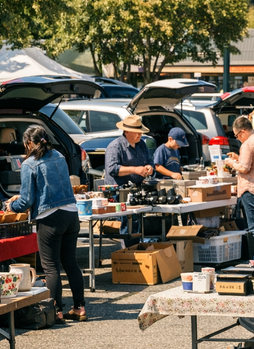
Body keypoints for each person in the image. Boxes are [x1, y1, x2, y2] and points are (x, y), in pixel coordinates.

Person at [8, 125, 85, 323]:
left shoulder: (29, 164)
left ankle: (56, 311)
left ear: (29, 143)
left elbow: (26, 201)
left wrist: (11, 206)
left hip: (49, 217)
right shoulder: (59, 155)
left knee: (51, 267)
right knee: (70, 263)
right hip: (71, 213)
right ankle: (79, 308)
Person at [225, 116, 254, 255]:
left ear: (243, 131)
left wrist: (231, 163)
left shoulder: (247, 144)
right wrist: (238, 158)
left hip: (251, 189)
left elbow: (245, 168)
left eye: (237, 135)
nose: (238, 138)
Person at [104, 115, 154, 186]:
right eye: (136, 132)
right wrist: (134, 170)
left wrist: (150, 168)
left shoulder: (142, 144)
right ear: (127, 132)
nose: (140, 134)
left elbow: (150, 162)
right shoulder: (115, 146)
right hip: (119, 191)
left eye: (140, 132)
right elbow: (112, 169)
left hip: (139, 189)